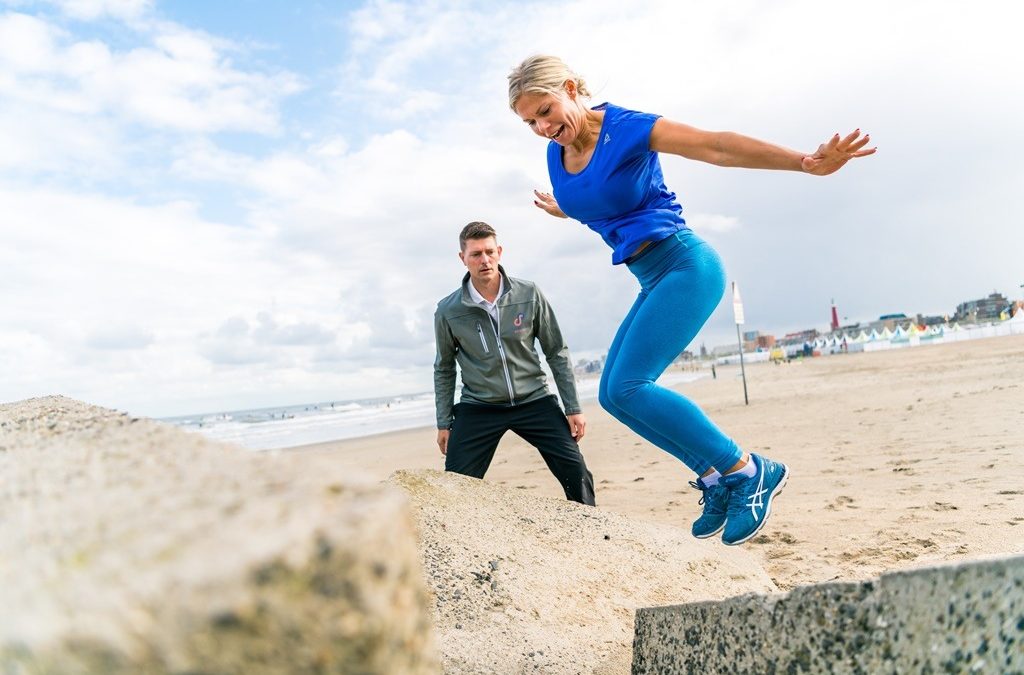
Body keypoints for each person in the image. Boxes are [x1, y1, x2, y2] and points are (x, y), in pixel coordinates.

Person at [508, 55, 874, 545]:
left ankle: (747, 470)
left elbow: (716, 147)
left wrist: (805, 163)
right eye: (529, 121)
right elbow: (599, 200)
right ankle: (717, 479)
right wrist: (565, 208)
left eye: (545, 111)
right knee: (614, 395)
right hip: (652, 277)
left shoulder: (628, 128)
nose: (541, 127)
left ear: (571, 88)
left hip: (685, 265)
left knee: (633, 385)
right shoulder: (558, 153)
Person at [434, 221, 596, 505]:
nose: (484, 260)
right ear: (463, 258)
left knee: (576, 470)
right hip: (479, 406)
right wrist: (444, 422)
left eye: (489, 252)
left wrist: (573, 407)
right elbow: (444, 367)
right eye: (475, 254)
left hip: (534, 399)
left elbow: (556, 350)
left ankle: (592, 529)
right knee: (456, 483)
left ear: (499, 251)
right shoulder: (449, 310)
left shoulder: (529, 294)